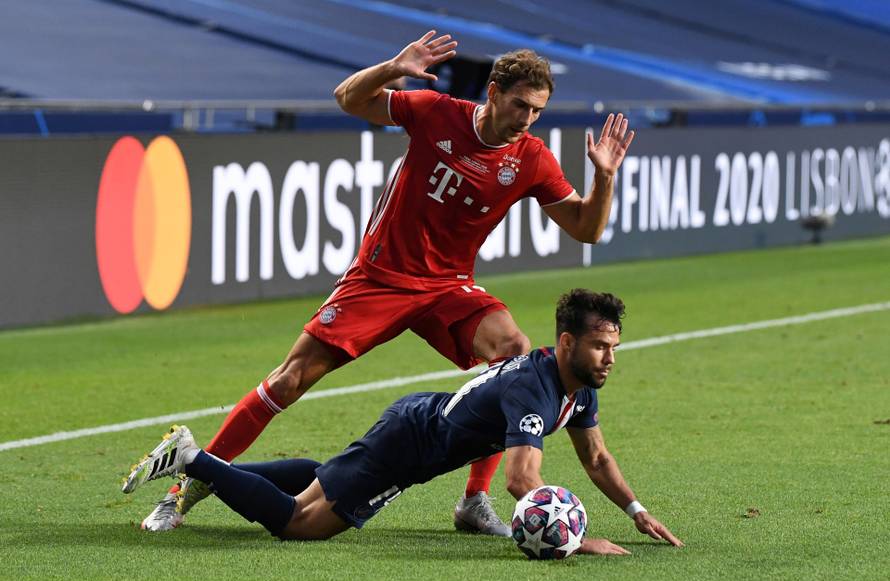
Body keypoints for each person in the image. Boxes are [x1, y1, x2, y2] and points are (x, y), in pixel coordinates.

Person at [140, 31, 636, 536]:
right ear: (492, 92)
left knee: (513, 353)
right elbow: (349, 98)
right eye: (519, 106)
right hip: (380, 276)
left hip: (448, 287)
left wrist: (606, 178)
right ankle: (180, 493)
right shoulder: (436, 112)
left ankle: (473, 501)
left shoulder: (530, 157)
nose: (527, 119)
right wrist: (392, 67)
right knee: (290, 380)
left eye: (537, 111)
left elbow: (586, 229)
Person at [125, 290, 682, 554]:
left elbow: (597, 458)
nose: (610, 357)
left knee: (326, 477)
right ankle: (194, 459)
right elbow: (521, 481)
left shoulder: (576, 386)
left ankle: (212, 468)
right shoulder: (534, 388)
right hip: (411, 443)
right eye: (600, 346)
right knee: (302, 524)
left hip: (416, 427)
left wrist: (636, 512)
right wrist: (577, 540)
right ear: (567, 343)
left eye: (614, 346)